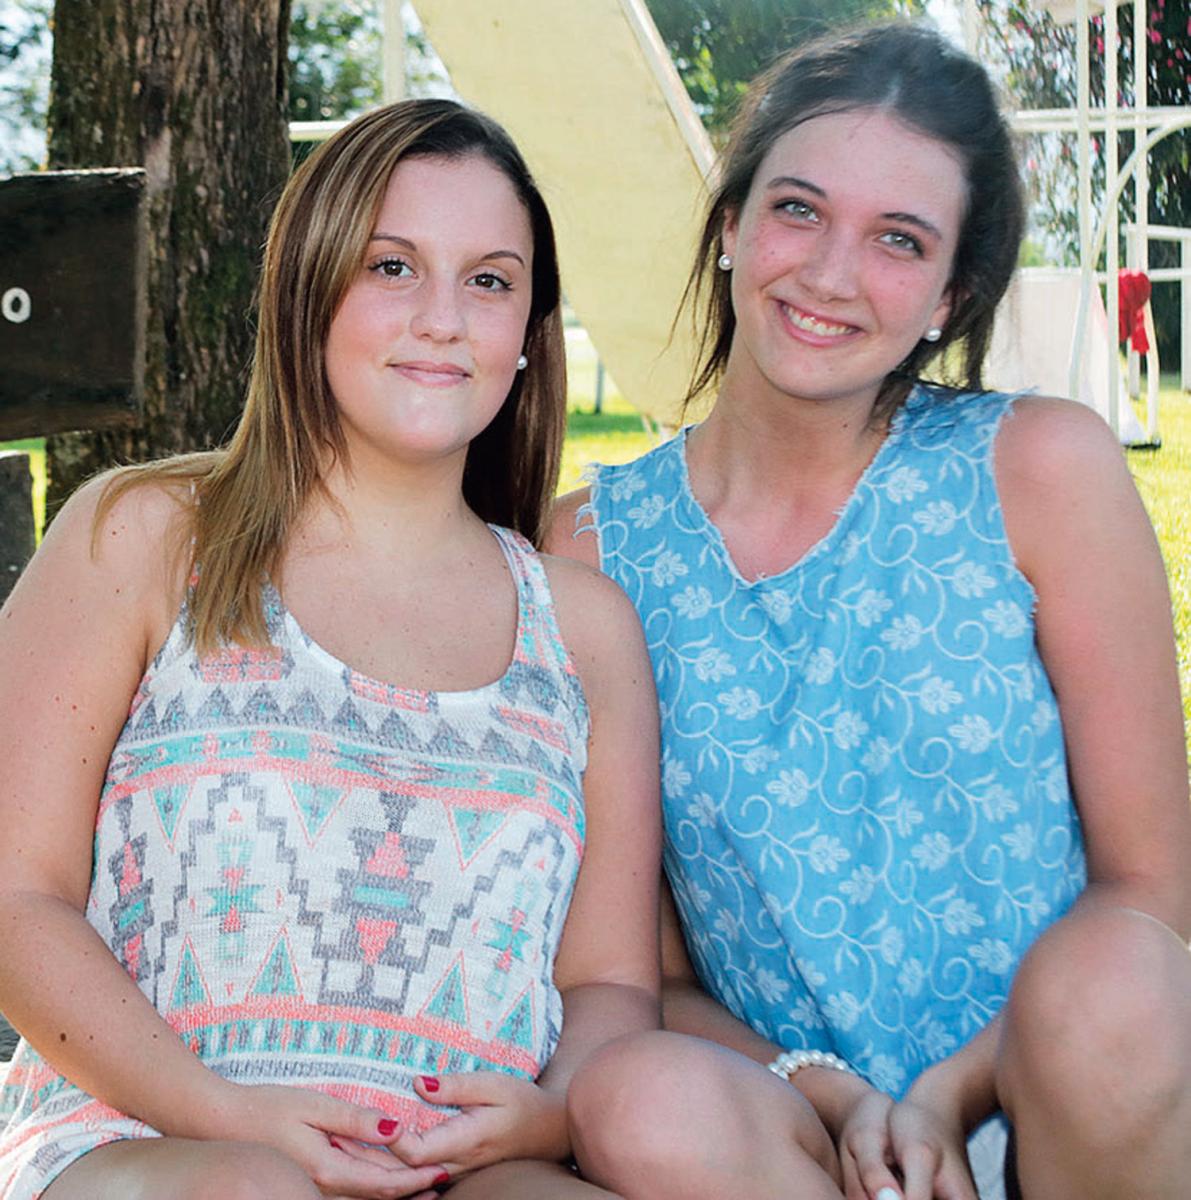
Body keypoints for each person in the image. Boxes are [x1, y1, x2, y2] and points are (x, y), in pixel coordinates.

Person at [549, 21, 1191, 1200]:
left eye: (900, 240)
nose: (833, 274)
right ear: (731, 226)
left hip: (1073, 1106)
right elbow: (649, 975)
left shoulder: (1038, 469)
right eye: (798, 210)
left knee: (1121, 984)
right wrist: (840, 1101)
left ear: (952, 294)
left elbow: (1154, 890)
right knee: (637, 1095)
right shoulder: (590, 553)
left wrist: (951, 1095)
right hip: (800, 1133)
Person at [0, 98, 662, 1200]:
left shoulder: (584, 631)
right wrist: (226, 1114)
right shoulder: (147, 538)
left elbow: (607, 985)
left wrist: (552, 1114)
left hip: (452, 1169)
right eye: (392, 267)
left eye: (489, 281)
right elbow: (16, 898)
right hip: (151, 1139)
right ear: (306, 285)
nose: (443, 319)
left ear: (527, 332)